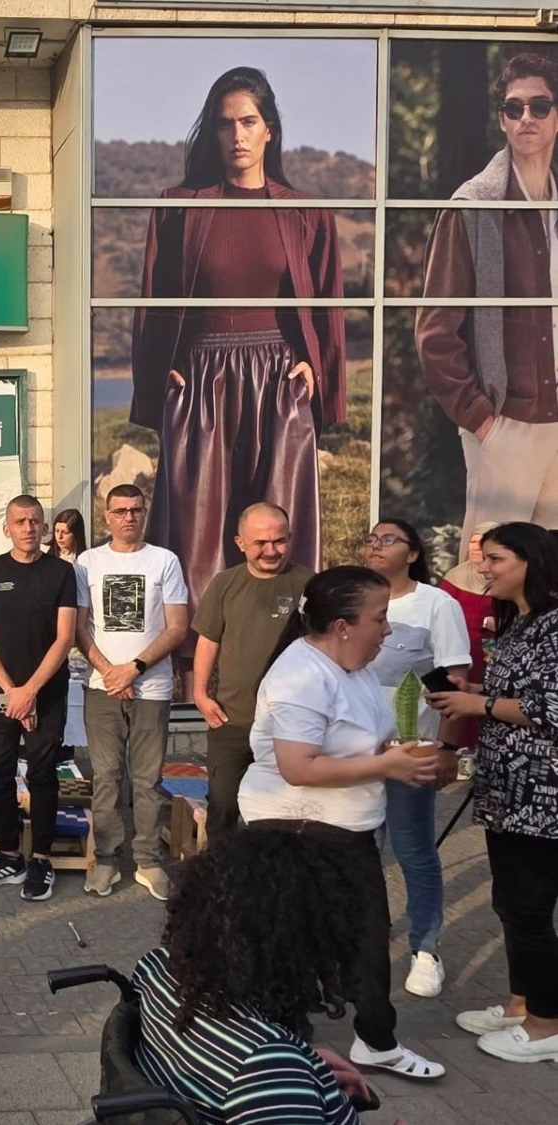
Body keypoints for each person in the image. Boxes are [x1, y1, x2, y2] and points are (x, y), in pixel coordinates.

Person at [132, 66, 345, 619]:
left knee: (275, 524)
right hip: (201, 380)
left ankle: (282, 636)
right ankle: (194, 649)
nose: (237, 136)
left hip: (277, 381)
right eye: (224, 124)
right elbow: (153, 299)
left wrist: (315, 370)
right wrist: (161, 376)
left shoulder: (305, 209)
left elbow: (327, 304)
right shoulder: (179, 204)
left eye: (248, 122)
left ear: (269, 129)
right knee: (197, 529)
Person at [239, 566, 445, 1081]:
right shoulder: (300, 676)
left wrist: (397, 752)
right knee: (298, 941)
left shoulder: (355, 668)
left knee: (364, 938)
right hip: (294, 830)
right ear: (342, 626)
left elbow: (361, 738)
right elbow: (298, 767)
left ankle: (373, 1041)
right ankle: (284, 1047)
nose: (388, 630)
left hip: (345, 827)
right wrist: (386, 765)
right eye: (380, 618)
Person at [135, 829, 382, 1125]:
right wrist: (282, 1069)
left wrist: (301, 1062)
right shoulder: (266, 1069)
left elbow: (218, 1056)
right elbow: (259, 1079)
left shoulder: (156, 969)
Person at [428, 522, 558, 1064]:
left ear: (531, 561)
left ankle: (547, 1025)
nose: (483, 568)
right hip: (507, 788)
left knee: (529, 905)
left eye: (496, 558)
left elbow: (549, 709)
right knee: (510, 901)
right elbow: (518, 691)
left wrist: (477, 706)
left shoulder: (554, 626)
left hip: (541, 794)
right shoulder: (520, 620)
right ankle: (520, 1005)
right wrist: (473, 691)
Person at [419, 53, 558, 544]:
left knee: (550, 574)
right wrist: (481, 420)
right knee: (489, 569)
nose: (526, 118)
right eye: (514, 108)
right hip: (505, 424)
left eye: (540, 106)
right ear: (501, 119)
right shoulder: (472, 207)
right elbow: (435, 334)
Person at [362, 518, 470, 999]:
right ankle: (362, 935)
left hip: (410, 751)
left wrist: (446, 748)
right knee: (359, 852)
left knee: (413, 852)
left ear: (412, 553)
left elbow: (454, 681)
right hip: (355, 754)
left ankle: (426, 948)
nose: (376, 546)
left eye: (389, 540)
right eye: (371, 538)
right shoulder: (354, 597)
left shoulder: (436, 604)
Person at [74, 485, 190, 900]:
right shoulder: (88, 562)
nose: (128, 517)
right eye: (120, 511)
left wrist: (134, 669)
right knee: (106, 776)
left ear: (145, 513)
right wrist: (111, 673)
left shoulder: (164, 560)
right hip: (102, 687)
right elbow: (79, 627)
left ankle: (148, 860)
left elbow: (177, 627)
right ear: (106, 516)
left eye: (135, 510)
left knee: (147, 778)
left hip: (151, 688)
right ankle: (106, 859)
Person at [0, 496, 78, 902]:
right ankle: (9, 856)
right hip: (2, 690)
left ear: (44, 528)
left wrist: (30, 692)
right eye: (20, 521)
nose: (28, 528)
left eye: (35, 521)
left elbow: (65, 637)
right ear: (7, 528)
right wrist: (12, 691)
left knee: (43, 775)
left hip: (45, 692)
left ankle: (41, 860)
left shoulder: (61, 572)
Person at [192, 502, 313, 839]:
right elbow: (208, 641)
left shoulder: (309, 585)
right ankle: (221, 871)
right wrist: (200, 694)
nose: (271, 551)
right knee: (223, 807)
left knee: (282, 814)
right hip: (231, 720)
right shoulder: (225, 584)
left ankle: (275, 873)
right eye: (260, 543)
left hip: (288, 724)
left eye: (279, 541)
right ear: (240, 542)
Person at [439, 522, 499, 747]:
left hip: (492, 650)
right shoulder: (456, 575)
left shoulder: (503, 580)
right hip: (461, 649)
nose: (475, 547)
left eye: (481, 543)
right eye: (472, 542)